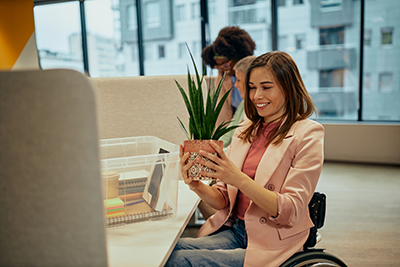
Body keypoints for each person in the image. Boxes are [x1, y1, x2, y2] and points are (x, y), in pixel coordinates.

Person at [165, 51, 325, 267]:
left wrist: (238, 178)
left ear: (288, 88)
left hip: (273, 240)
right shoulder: (246, 129)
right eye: (252, 87)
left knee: (177, 261)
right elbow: (222, 200)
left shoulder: (308, 134)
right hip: (238, 231)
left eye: (266, 87)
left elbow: (291, 211)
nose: (256, 95)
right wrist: (196, 186)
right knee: (167, 250)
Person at [202, 26, 256, 127]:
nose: (222, 69)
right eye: (217, 66)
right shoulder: (223, 76)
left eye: (225, 65)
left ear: (238, 58)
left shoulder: (254, 75)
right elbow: (221, 111)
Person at [219, 55, 256, 149]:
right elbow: (228, 134)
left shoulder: (260, 109)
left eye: (239, 80)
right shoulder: (243, 105)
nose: (236, 85)